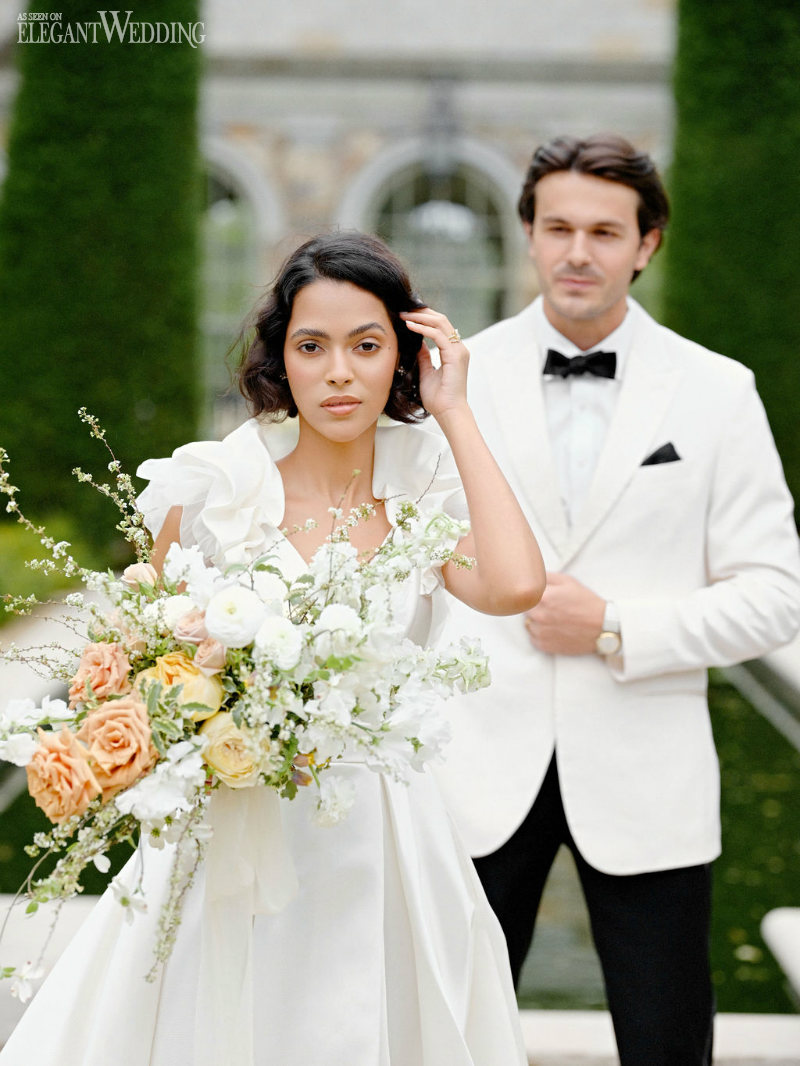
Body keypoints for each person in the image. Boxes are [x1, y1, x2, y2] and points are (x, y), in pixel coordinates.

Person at [0, 232, 545, 1066]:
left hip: (388, 843)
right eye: (312, 346)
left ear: (403, 355)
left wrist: (457, 412)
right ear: (279, 360)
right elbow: (138, 667)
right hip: (233, 840)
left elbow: (513, 586)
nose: (338, 372)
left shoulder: (423, 479)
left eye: (367, 346)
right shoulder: (216, 485)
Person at [433, 134, 800, 1066]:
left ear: (648, 244)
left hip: (650, 778)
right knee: (441, 1036)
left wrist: (614, 625)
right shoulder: (450, 385)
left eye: (605, 230)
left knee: (668, 1042)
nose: (577, 252)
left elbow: (775, 598)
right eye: (557, 227)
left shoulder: (719, 392)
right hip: (473, 774)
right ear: (528, 234)